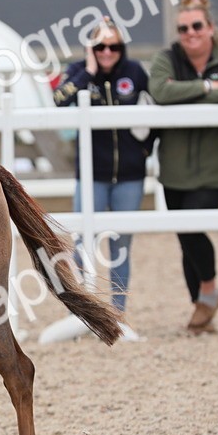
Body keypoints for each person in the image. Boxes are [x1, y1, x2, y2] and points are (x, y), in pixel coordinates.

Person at [150, 0, 218, 335]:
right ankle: (201, 305)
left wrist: (184, 91)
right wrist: (208, 86)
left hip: (217, 164)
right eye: (183, 28)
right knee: (184, 233)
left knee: (193, 225)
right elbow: (160, 91)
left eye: (196, 26)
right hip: (175, 164)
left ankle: (209, 291)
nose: (190, 33)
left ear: (210, 27)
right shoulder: (167, 57)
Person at [53, 17, 153, 315]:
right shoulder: (79, 71)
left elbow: (155, 109)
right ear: (91, 48)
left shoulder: (135, 72)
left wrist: (145, 150)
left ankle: (118, 313)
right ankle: (86, 312)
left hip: (130, 176)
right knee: (83, 243)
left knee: (120, 247)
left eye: (113, 46)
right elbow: (59, 99)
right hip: (91, 175)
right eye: (100, 46)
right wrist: (89, 71)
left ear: (122, 47)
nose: (107, 52)